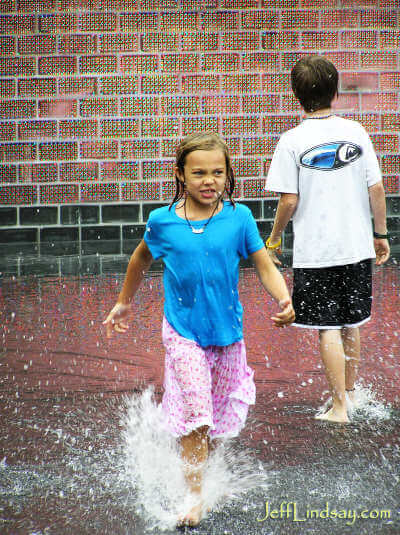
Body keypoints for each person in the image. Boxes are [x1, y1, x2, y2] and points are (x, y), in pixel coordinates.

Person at [103, 132, 295, 527]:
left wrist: (283, 297)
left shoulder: (238, 218)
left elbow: (262, 263)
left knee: (218, 421)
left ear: (228, 176)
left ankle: (199, 472)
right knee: (197, 415)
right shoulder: (163, 222)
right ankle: (192, 497)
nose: (209, 181)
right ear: (181, 175)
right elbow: (140, 260)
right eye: (199, 173)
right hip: (182, 332)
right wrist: (125, 301)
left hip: (227, 334)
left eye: (218, 173)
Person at [265, 55, 390, 424]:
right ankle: (350, 394)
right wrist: (380, 234)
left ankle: (338, 408)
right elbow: (377, 187)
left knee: (328, 327)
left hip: (317, 252)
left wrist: (273, 241)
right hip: (356, 246)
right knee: (351, 322)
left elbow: (289, 200)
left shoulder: (291, 141)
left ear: (296, 94)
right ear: (335, 91)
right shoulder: (356, 132)